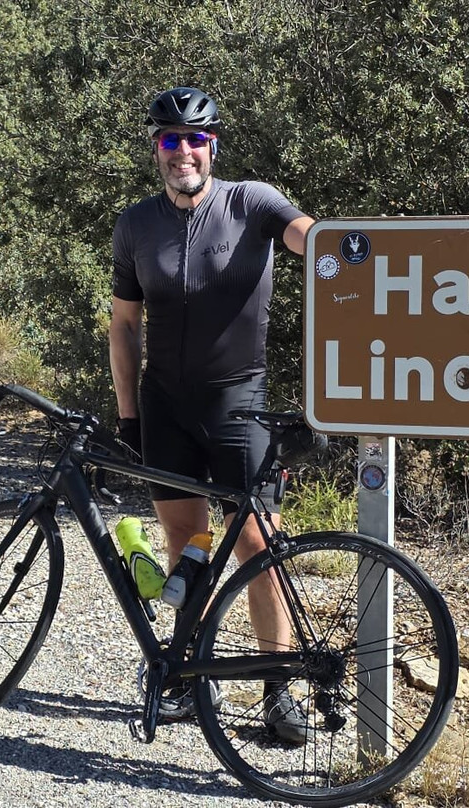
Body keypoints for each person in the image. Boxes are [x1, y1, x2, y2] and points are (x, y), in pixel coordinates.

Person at [109, 87, 315, 743]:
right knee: (185, 540)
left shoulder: (250, 202)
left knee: (258, 545)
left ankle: (277, 687)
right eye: (171, 140)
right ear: (156, 149)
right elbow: (124, 325)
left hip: (237, 400)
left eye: (195, 139)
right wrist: (129, 417)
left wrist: (350, 251)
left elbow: (308, 237)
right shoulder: (135, 225)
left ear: (213, 146)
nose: (184, 152)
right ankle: (192, 678)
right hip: (165, 404)